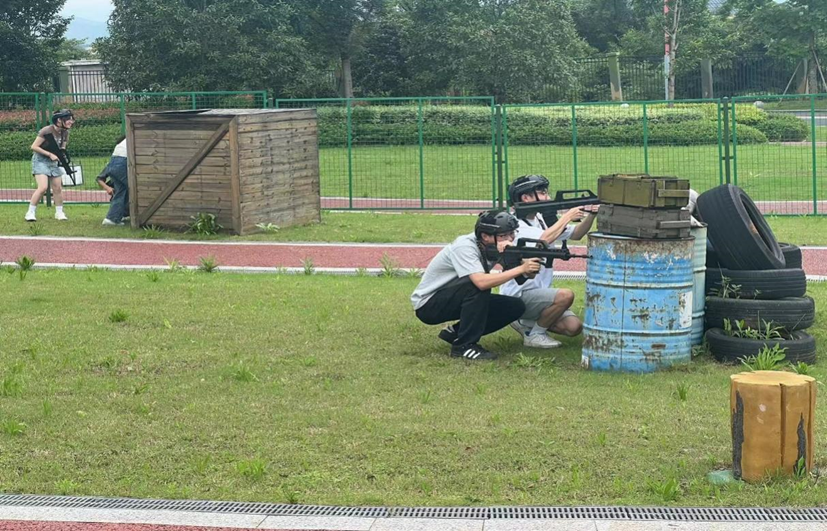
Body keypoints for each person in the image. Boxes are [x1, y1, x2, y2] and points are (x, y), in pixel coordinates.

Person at [411, 210, 542, 361]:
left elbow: (526, 276)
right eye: (503, 235)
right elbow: (481, 282)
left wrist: (524, 263)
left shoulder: (494, 246)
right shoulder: (464, 246)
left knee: (515, 306)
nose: (510, 239)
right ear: (485, 236)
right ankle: (464, 346)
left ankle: (456, 333)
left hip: (455, 298)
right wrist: (521, 268)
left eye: (512, 233)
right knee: (477, 286)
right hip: (429, 305)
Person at [500, 174, 597, 348]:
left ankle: (524, 322)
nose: (548, 197)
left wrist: (591, 214)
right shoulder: (515, 225)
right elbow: (544, 239)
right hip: (518, 294)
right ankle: (535, 334)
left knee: (574, 327)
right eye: (543, 193)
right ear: (526, 197)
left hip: (539, 291)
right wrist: (567, 216)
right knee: (565, 295)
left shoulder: (540, 218)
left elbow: (576, 234)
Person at [25, 109, 75, 222]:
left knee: (57, 187)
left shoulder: (65, 133)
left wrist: (62, 155)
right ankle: (30, 212)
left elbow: (62, 147)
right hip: (40, 160)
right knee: (43, 187)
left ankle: (59, 212)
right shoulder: (46, 131)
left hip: (54, 161)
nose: (71, 122)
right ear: (59, 120)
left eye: (72, 119)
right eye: (68, 119)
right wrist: (49, 154)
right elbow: (34, 146)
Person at [96, 136, 129, 226]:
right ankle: (114, 217)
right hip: (123, 161)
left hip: (116, 160)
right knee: (130, 190)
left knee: (121, 191)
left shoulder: (122, 144)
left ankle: (114, 217)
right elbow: (99, 178)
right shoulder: (134, 137)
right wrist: (107, 188)